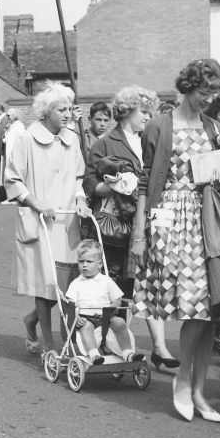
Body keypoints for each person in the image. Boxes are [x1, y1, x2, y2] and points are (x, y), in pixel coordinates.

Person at [130, 58, 220, 423]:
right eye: (205, 91)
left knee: (208, 309)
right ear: (188, 86)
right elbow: (146, 182)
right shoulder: (160, 125)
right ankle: (184, 380)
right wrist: (140, 234)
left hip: (207, 221)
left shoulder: (212, 127)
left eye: (214, 93)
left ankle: (199, 392)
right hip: (170, 220)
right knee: (194, 305)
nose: (210, 99)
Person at [83, 85, 180, 371]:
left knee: (148, 281)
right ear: (127, 112)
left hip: (147, 221)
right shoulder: (105, 143)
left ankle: (159, 348)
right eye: (144, 112)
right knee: (117, 286)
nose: (148, 118)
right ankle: (109, 341)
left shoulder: (150, 141)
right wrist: (115, 186)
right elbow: (90, 185)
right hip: (116, 227)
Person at [5, 82, 91, 357]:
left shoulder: (72, 139)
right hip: (39, 219)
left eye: (69, 108)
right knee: (45, 284)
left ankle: (38, 323)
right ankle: (49, 343)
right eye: (61, 109)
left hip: (67, 221)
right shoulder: (26, 139)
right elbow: (13, 179)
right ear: (45, 111)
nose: (67, 114)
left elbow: (79, 176)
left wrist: (80, 199)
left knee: (68, 282)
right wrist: (37, 203)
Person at [65, 239, 145, 365]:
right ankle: (94, 354)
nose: (84, 265)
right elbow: (70, 303)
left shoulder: (106, 281)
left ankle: (127, 353)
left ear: (100, 264)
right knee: (86, 327)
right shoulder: (76, 283)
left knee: (120, 323)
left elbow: (117, 299)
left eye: (89, 261)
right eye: (81, 261)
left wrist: (113, 308)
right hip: (86, 317)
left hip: (107, 315)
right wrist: (77, 316)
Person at [1, 108, 25, 204]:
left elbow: (21, 140)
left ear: (15, 115)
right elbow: (6, 140)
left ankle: (14, 198)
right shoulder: (12, 126)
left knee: (13, 176)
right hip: (9, 153)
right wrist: (6, 130)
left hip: (14, 155)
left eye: (9, 115)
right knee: (8, 175)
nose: (7, 117)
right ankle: (11, 197)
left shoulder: (19, 126)